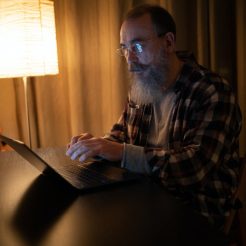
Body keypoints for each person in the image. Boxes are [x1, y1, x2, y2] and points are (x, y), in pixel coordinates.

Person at [66, 4, 242, 229]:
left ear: (168, 42)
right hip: (145, 198)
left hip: (196, 211)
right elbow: (119, 138)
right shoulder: (143, 86)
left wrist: (119, 151)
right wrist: (95, 146)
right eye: (124, 48)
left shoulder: (211, 91)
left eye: (137, 46)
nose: (129, 59)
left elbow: (194, 168)